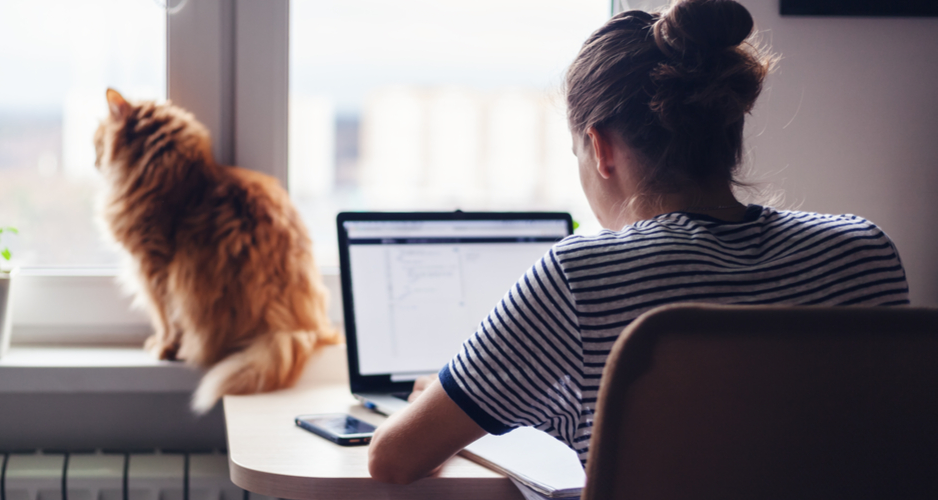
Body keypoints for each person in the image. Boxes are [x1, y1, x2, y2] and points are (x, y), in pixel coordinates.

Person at [367, 0, 911, 485]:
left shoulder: (580, 276)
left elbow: (393, 459)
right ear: (731, 131)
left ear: (600, 148)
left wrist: (444, 405)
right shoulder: (864, 252)